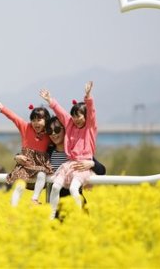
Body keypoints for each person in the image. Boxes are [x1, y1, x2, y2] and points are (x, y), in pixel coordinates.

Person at [40, 81, 97, 219]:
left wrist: (88, 96)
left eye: (80, 116)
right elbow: (60, 112)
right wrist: (50, 100)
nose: (76, 119)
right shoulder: (69, 125)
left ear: (86, 116)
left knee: (73, 189)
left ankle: (81, 215)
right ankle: (52, 214)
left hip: (81, 166)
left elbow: (91, 113)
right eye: (74, 116)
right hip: (69, 165)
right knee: (54, 187)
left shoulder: (89, 128)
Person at [45, 116, 105, 218]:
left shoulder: (76, 151)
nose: (54, 134)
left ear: (66, 129)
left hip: (76, 206)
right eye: (50, 131)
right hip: (54, 208)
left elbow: (102, 171)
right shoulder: (48, 153)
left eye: (57, 129)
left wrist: (91, 164)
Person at [0, 102, 53, 206]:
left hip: (40, 165)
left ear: (46, 120)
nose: (36, 123)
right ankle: (13, 209)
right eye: (33, 120)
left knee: (42, 175)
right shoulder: (26, 127)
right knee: (19, 186)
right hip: (25, 164)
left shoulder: (49, 133)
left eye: (39, 120)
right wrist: (3, 109)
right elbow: (15, 118)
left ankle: (34, 199)